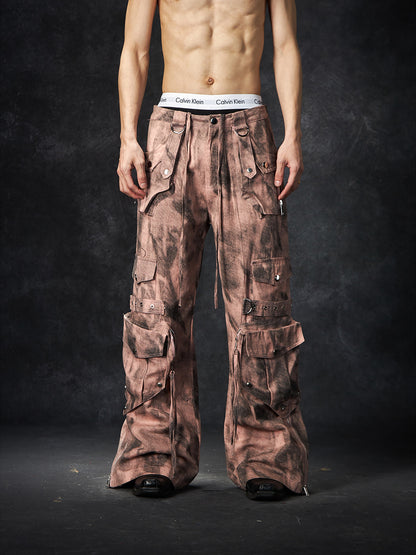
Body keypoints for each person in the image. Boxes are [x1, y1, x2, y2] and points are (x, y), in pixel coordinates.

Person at [107, 0, 310, 501]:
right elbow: (134, 49)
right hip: (172, 131)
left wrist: (293, 135)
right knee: (159, 300)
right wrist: (128, 138)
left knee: (261, 302)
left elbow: (286, 45)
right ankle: (155, 453)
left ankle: (267, 457)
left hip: (247, 130)